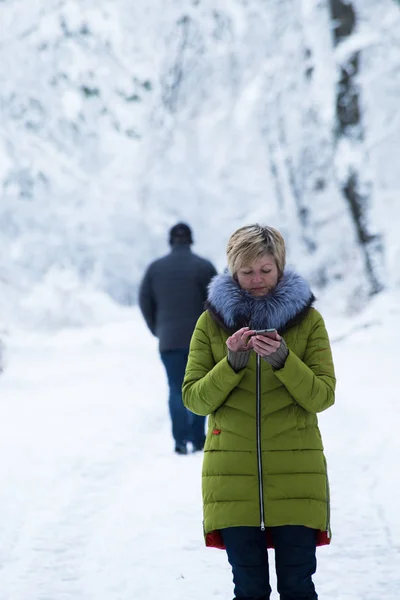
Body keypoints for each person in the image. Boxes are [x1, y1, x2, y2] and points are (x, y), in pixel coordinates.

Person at [182, 224, 336, 600]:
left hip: (298, 479)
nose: (256, 280)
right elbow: (195, 399)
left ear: (279, 267)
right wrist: (232, 363)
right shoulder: (210, 324)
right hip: (232, 482)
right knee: (249, 590)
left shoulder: (309, 322)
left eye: (265, 270)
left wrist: (284, 360)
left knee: (298, 588)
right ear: (233, 271)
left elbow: (322, 396)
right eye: (246, 272)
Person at [139, 222, 217, 455]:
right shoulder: (203, 267)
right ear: (191, 240)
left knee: (176, 388)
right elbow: (217, 303)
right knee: (199, 387)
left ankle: (180, 441)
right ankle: (198, 438)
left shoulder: (155, 269)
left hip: (169, 341)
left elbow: (145, 302)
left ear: (170, 241)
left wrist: (158, 329)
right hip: (200, 340)